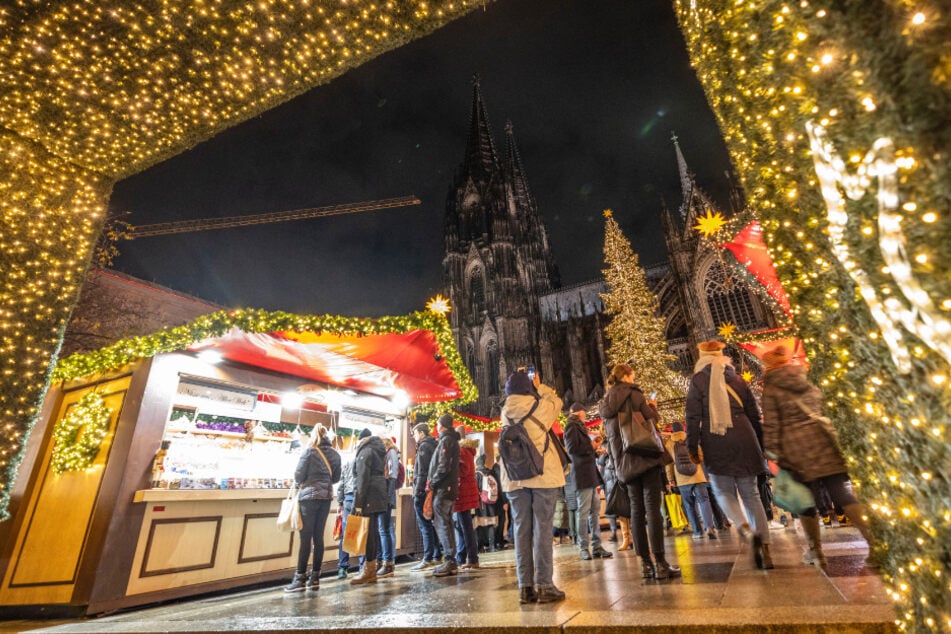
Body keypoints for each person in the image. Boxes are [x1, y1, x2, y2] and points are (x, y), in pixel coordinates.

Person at [760, 344, 877, 568]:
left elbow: (773, 424)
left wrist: (772, 451)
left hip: (796, 449)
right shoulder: (805, 376)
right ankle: (873, 543)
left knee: (805, 502)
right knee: (842, 494)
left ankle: (816, 552)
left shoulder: (772, 387)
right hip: (824, 441)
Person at [685, 340, 773, 570]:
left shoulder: (698, 380)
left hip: (716, 439)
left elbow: (692, 418)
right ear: (721, 354)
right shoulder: (737, 379)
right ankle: (765, 548)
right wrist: (761, 444)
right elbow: (754, 413)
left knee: (723, 491)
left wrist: (692, 447)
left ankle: (744, 528)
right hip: (745, 437)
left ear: (702, 355)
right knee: (751, 494)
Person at [600, 364, 680, 580]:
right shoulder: (634, 394)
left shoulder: (605, 403)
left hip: (625, 464)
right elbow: (652, 420)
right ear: (626, 376)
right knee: (653, 510)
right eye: (632, 374)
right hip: (644, 456)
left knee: (636, 511)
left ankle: (645, 565)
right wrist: (652, 406)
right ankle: (661, 563)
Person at [498, 368, 566, 604]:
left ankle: (525, 587)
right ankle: (545, 585)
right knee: (542, 530)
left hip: (515, 479)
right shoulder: (541, 408)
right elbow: (557, 401)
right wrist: (540, 386)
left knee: (521, 531)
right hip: (543, 476)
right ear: (529, 388)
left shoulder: (505, 412)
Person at [284, 424, 342, 592]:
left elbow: (298, 475)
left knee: (305, 538)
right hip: (326, 498)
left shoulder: (309, 452)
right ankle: (315, 578)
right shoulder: (335, 454)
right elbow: (336, 478)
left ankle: (300, 577)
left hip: (308, 498)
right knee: (319, 537)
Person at [564, 401, 613, 561]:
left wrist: (595, 450)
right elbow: (572, 449)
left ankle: (597, 546)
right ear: (579, 412)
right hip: (582, 475)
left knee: (594, 511)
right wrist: (590, 446)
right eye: (584, 413)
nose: (586, 416)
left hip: (589, 474)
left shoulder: (579, 426)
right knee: (584, 513)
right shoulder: (571, 426)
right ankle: (583, 547)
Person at [663, 422, 718, 540]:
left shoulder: (669, 444)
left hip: (682, 480)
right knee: (704, 501)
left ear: (672, 431)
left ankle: (698, 532)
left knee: (689, 505)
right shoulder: (691, 439)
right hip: (697, 476)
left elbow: (668, 464)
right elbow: (701, 456)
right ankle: (709, 527)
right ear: (683, 429)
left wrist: (671, 479)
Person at [350, 428, 389, 585]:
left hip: (368, 496)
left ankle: (369, 570)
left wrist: (358, 504)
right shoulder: (378, 449)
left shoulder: (365, 451)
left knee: (368, 535)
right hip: (378, 494)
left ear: (361, 440)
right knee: (372, 533)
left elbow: (362, 479)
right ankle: (371, 568)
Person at [428, 413, 461, 577]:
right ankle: (451, 559)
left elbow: (443, 466)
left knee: (442, 523)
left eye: (437, 422)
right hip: (447, 488)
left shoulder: (446, 441)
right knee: (446, 523)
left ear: (441, 425)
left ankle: (449, 559)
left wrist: (433, 482)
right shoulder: (448, 440)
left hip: (443, 489)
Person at [410, 422, 441, 571]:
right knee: (430, 523)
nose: (414, 436)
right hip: (431, 490)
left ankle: (427, 557)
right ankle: (436, 554)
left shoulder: (423, 447)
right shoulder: (434, 445)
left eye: (415, 433)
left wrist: (418, 490)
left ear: (421, 433)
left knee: (424, 525)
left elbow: (422, 471)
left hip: (422, 491)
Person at [453, 427, 481, 569]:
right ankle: (462, 556)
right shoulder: (466, 450)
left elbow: (463, 471)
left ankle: (472, 558)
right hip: (465, 493)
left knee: (465, 527)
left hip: (463, 493)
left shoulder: (462, 451)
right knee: (463, 526)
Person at [376, 437, 399, 578]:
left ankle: (388, 562)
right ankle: (385, 561)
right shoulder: (390, 453)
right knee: (384, 529)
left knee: (384, 530)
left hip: (385, 497)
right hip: (385, 496)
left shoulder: (391, 454)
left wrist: (386, 497)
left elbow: (392, 475)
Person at [336, 455, 358, 579]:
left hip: (348, 500)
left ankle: (342, 567)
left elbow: (341, 483)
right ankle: (363, 565)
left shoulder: (348, 461)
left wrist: (340, 502)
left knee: (345, 535)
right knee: (362, 532)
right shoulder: (363, 459)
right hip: (359, 499)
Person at [474, 454, 499, 552]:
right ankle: (492, 546)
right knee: (491, 523)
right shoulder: (490, 472)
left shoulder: (476, 474)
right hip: (491, 501)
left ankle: (480, 547)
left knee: (479, 524)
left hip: (481, 503)